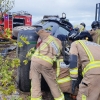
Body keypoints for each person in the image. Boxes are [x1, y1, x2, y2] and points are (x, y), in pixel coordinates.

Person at [30, 27, 65, 100]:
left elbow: (39, 31)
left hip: (34, 60)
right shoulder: (61, 46)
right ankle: (59, 98)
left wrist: (37, 30)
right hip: (46, 63)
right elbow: (58, 60)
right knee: (53, 84)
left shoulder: (49, 37)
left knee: (35, 84)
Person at [65, 31, 100, 100]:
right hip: (95, 75)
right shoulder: (97, 45)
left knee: (83, 96)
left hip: (92, 74)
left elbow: (73, 60)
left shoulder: (76, 43)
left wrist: (74, 78)